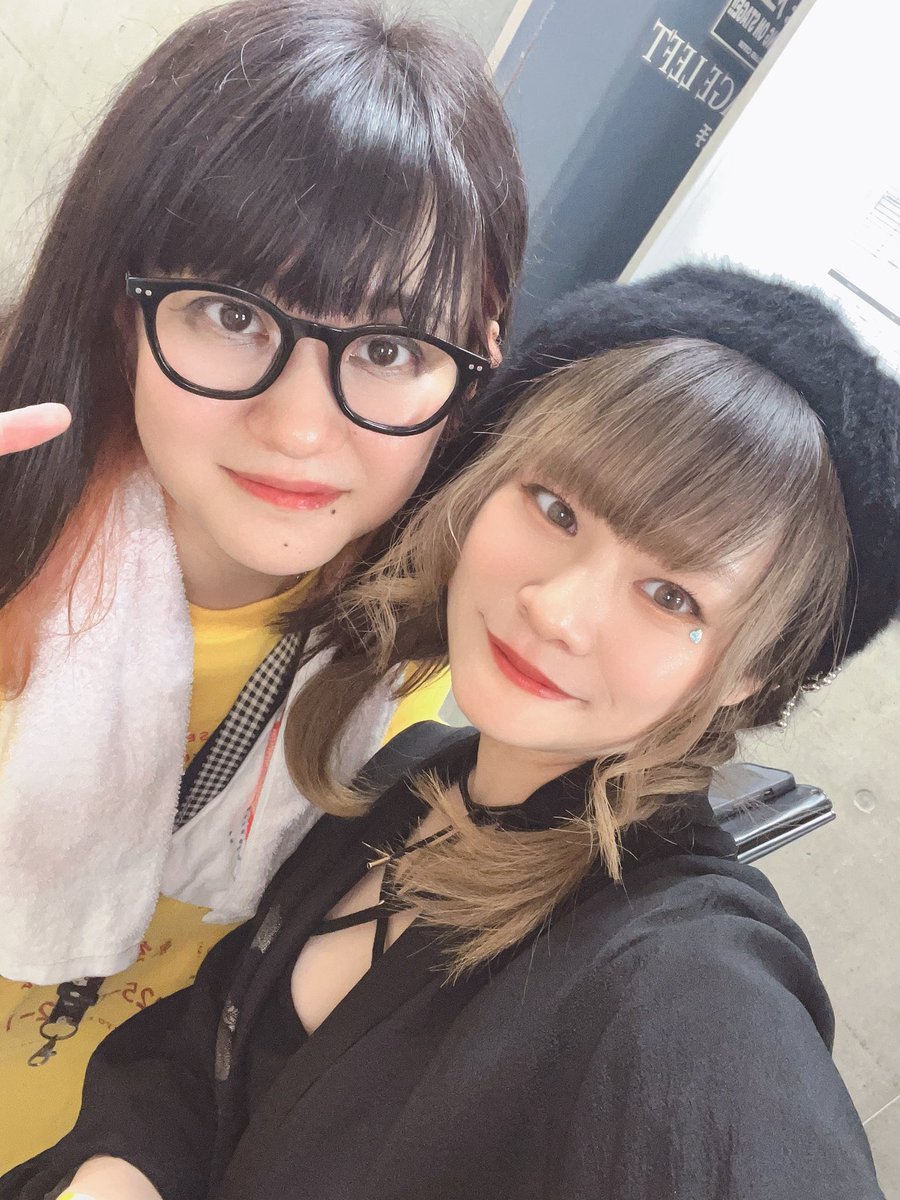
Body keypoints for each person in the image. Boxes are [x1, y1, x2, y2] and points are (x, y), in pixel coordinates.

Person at [7, 265, 896, 1200]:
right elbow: (205, 1069)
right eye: (556, 509)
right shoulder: (409, 780)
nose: (558, 610)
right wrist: (122, 1173)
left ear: (750, 672)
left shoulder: (681, 981)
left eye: (672, 595)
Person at [0, 0, 526, 1167]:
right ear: (120, 302)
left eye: (389, 348)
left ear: (475, 361)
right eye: (233, 314)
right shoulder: (16, 546)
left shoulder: (437, 663)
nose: (297, 428)